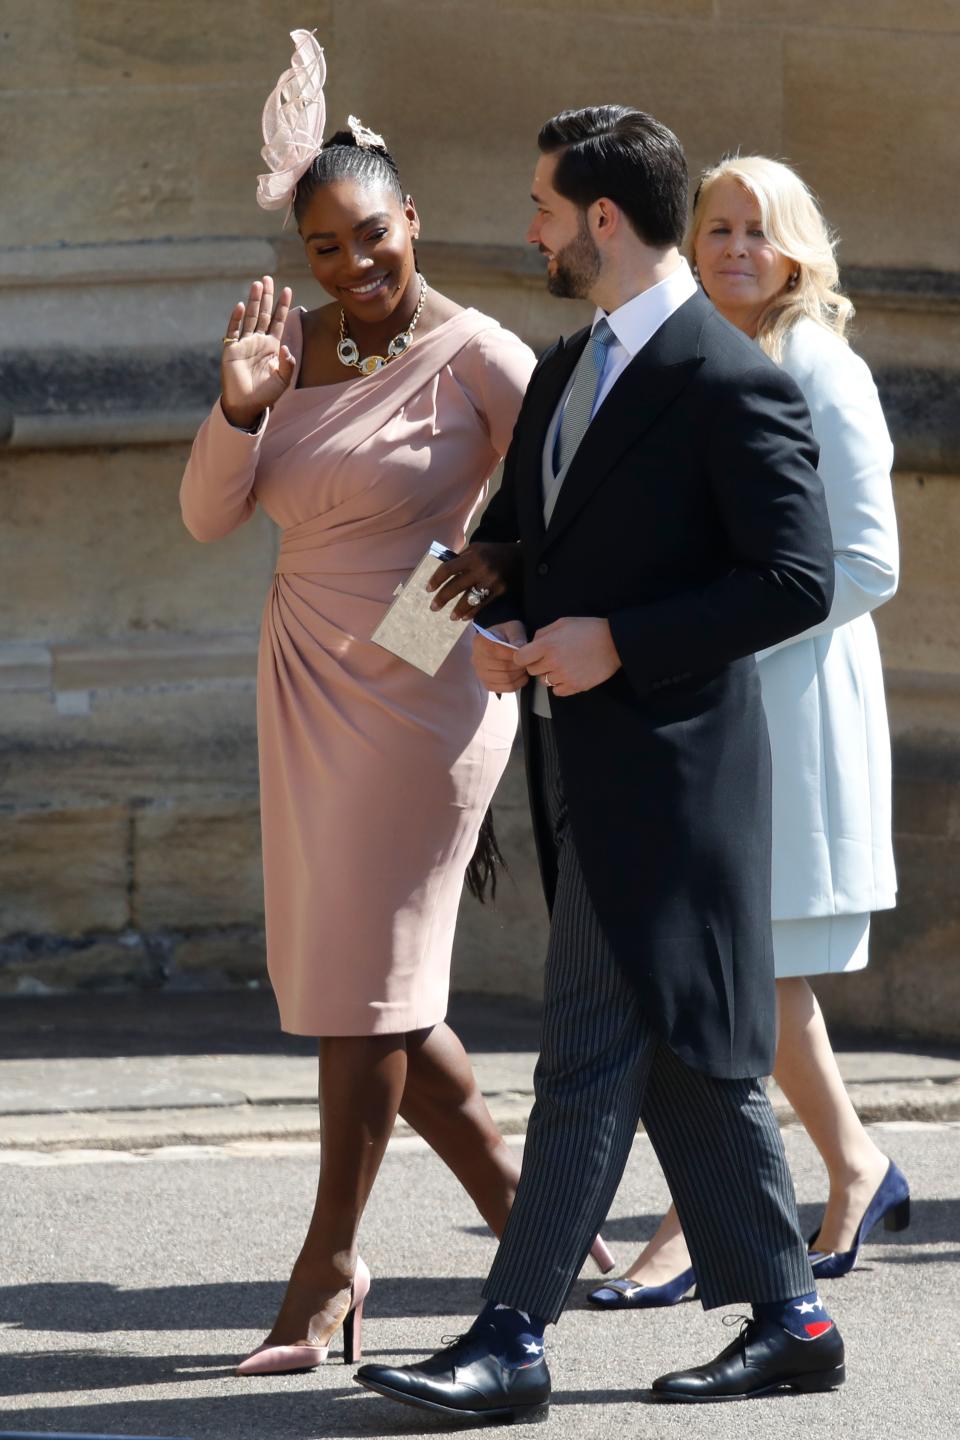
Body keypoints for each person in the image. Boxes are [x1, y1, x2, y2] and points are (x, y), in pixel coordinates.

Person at [355, 105, 846, 1420]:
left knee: (583, 1050)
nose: (530, 227)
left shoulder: (735, 382)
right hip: (580, 771)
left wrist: (616, 641)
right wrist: (414, 648)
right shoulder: (573, 367)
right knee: (688, 1058)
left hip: (679, 788)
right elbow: (509, 537)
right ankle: (793, 1317)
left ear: (604, 222)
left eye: (543, 207)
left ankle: (510, 1337)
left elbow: (800, 581)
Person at [179, 33, 614, 1377]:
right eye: (324, 246)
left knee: (364, 991)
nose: (353, 266)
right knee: (371, 987)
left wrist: (500, 563)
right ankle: (527, 1209)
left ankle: (328, 1268)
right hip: (305, 678)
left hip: (428, 689)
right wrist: (241, 411)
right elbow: (207, 518)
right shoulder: (282, 349)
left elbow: (578, 486)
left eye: (372, 235)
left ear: (411, 219)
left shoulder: (474, 349)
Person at [588, 155, 905, 1315]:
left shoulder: (820, 362)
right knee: (747, 971)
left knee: (740, 971)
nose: (732, 249)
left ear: (797, 248)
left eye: (754, 232)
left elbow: (868, 561)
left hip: (788, 706)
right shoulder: (706, 358)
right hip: (719, 705)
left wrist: (718, 635)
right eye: (715, 227)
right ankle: (848, 1168)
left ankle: (706, 1217)